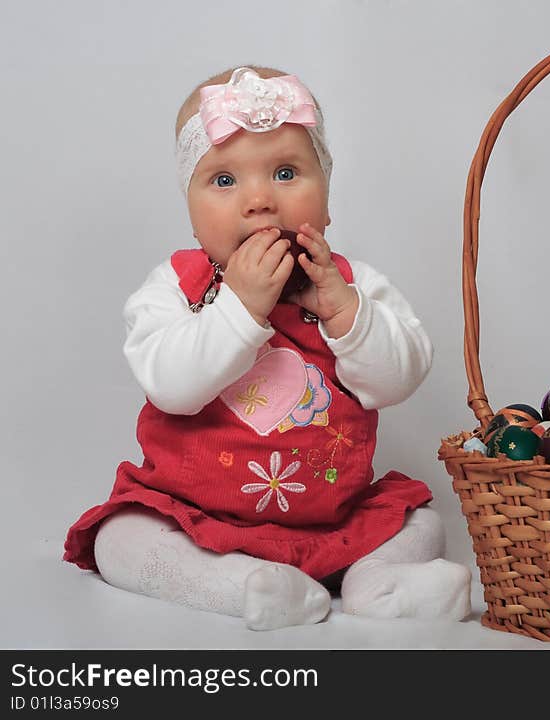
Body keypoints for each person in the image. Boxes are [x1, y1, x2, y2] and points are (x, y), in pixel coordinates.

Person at [63, 66, 471, 630]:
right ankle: (245, 589)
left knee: (420, 519)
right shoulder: (175, 289)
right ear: (190, 207)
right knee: (120, 538)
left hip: (330, 522)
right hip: (196, 519)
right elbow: (172, 387)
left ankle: (377, 584)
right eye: (224, 181)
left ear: (327, 197)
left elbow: (399, 379)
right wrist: (240, 309)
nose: (260, 201)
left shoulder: (351, 285)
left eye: (285, 172)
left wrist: (346, 314)